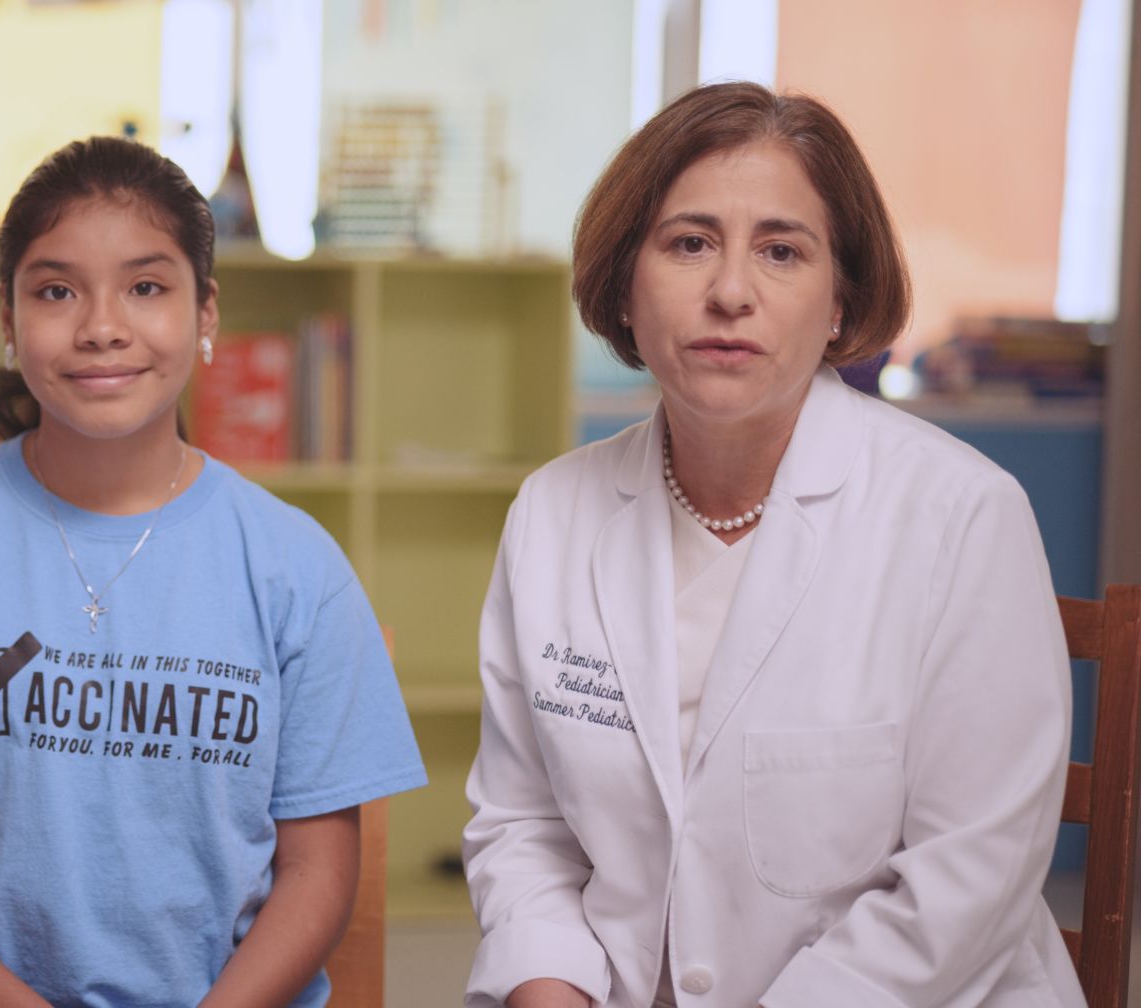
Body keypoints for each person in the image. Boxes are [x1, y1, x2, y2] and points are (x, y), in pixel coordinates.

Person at [462, 82, 1084, 1008]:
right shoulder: (553, 513)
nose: (730, 293)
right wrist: (548, 989)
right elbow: (525, 828)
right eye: (688, 243)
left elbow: (969, 878)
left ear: (841, 303)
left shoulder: (963, 516)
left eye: (782, 251)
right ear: (624, 289)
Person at [0, 136, 426, 1007]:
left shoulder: (295, 566)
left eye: (147, 287)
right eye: (55, 291)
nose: (103, 326)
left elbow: (317, 871)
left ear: (205, 317)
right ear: (8, 322)